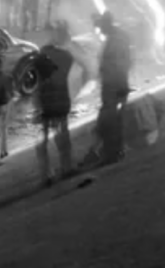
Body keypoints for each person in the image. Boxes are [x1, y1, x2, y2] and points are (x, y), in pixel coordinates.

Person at [35, 22, 90, 185]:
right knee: (62, 136)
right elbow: (85, 67)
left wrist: (37, 101)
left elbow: (34, 81)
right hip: (61, 100)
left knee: (42, 140)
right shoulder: (66, 56)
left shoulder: (39, 58)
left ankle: (45, 175)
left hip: (44, 101)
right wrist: (78, 90)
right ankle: (66, 167)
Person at [95, 11, 133, 166]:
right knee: (118, 117)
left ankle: (112, 152)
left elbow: (115, 62)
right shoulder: (121, 36)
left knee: (110, 117)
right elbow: (128, 60)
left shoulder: (114, 40)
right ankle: (117, 149)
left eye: (101, 27)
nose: (100, 31)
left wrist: (107, 76)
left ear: (106, 25)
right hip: (121, 81)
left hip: (113, 83)